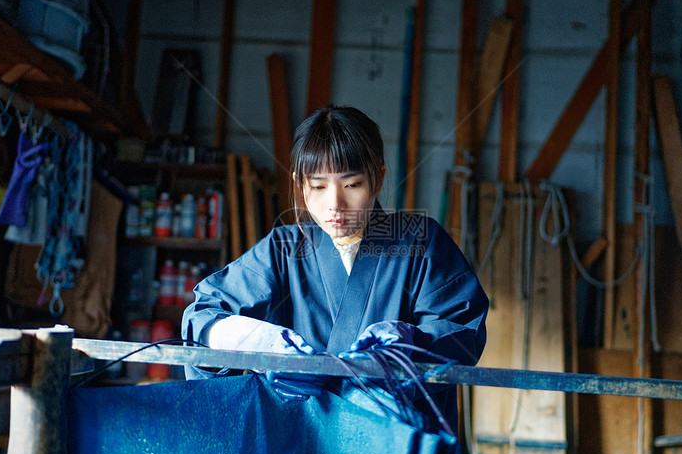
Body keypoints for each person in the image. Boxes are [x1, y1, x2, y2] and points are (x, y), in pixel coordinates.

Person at [182, 105, 488, 432]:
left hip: (398, 451)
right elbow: (202, 316)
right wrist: (257, 342)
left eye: (352, 185)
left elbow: (461, 330)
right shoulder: (283, 248)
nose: (335, 205)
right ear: (300, 185)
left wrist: (408, 346)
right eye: (318, 186)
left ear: (378, 177)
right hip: (302, 444)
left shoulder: (421, 242)